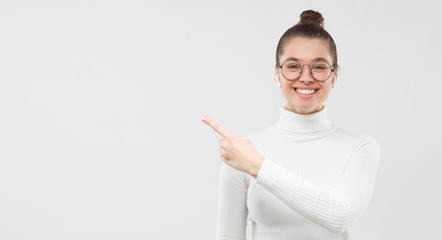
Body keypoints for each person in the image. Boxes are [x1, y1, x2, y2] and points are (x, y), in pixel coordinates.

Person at [201, 9, 381, 240]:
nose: (306, 77)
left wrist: (257, 166)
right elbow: (228, 236)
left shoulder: (360, 147)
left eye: (319, 66)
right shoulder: (243, 151)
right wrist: (249, 161)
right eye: (293, 66)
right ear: (277, 73)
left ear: (334, 75)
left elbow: (340, 216)